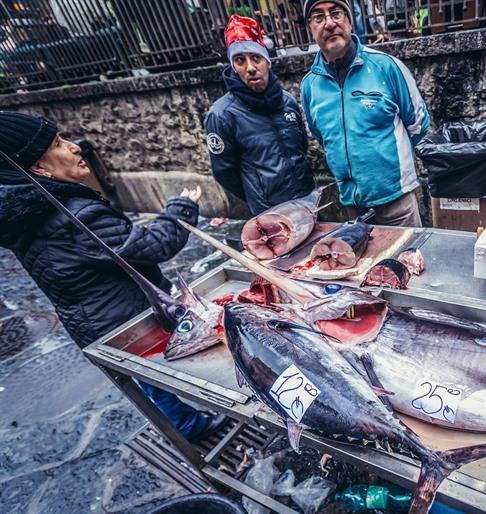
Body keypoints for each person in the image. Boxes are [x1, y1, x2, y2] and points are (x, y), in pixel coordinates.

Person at [0, 111, 226, 443]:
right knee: (163, 374)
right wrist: (180, 207)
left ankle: (184, 424)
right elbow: (153, 245)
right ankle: (191, 428)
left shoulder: (29, 214)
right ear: (39, 169)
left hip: (93, 322)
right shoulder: (73, 216)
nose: (75, 147)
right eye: (58, 144)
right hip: (124, 322)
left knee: (150, 384)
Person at [300, 0, 430, 227]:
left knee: (407, 260)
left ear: (350, 20)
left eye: (336, 13)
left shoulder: (386, 67)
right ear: (310, 28)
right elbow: (321, 136)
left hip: (396, 202)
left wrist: (389, 171)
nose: (329, 23)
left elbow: (418, 123)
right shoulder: (309, 86)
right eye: (319, 17)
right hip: (353, 205)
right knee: (365, 262)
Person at [204, 15, 314, 216]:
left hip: (307, 200)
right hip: (271, 212)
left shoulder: (287, 101)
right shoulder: (221, 116)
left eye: (256, 58)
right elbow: (224, 172)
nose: (251, 68)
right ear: (233, 67)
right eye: (240, 60)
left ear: (267, 61)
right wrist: (258, 197)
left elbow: (301, 146)